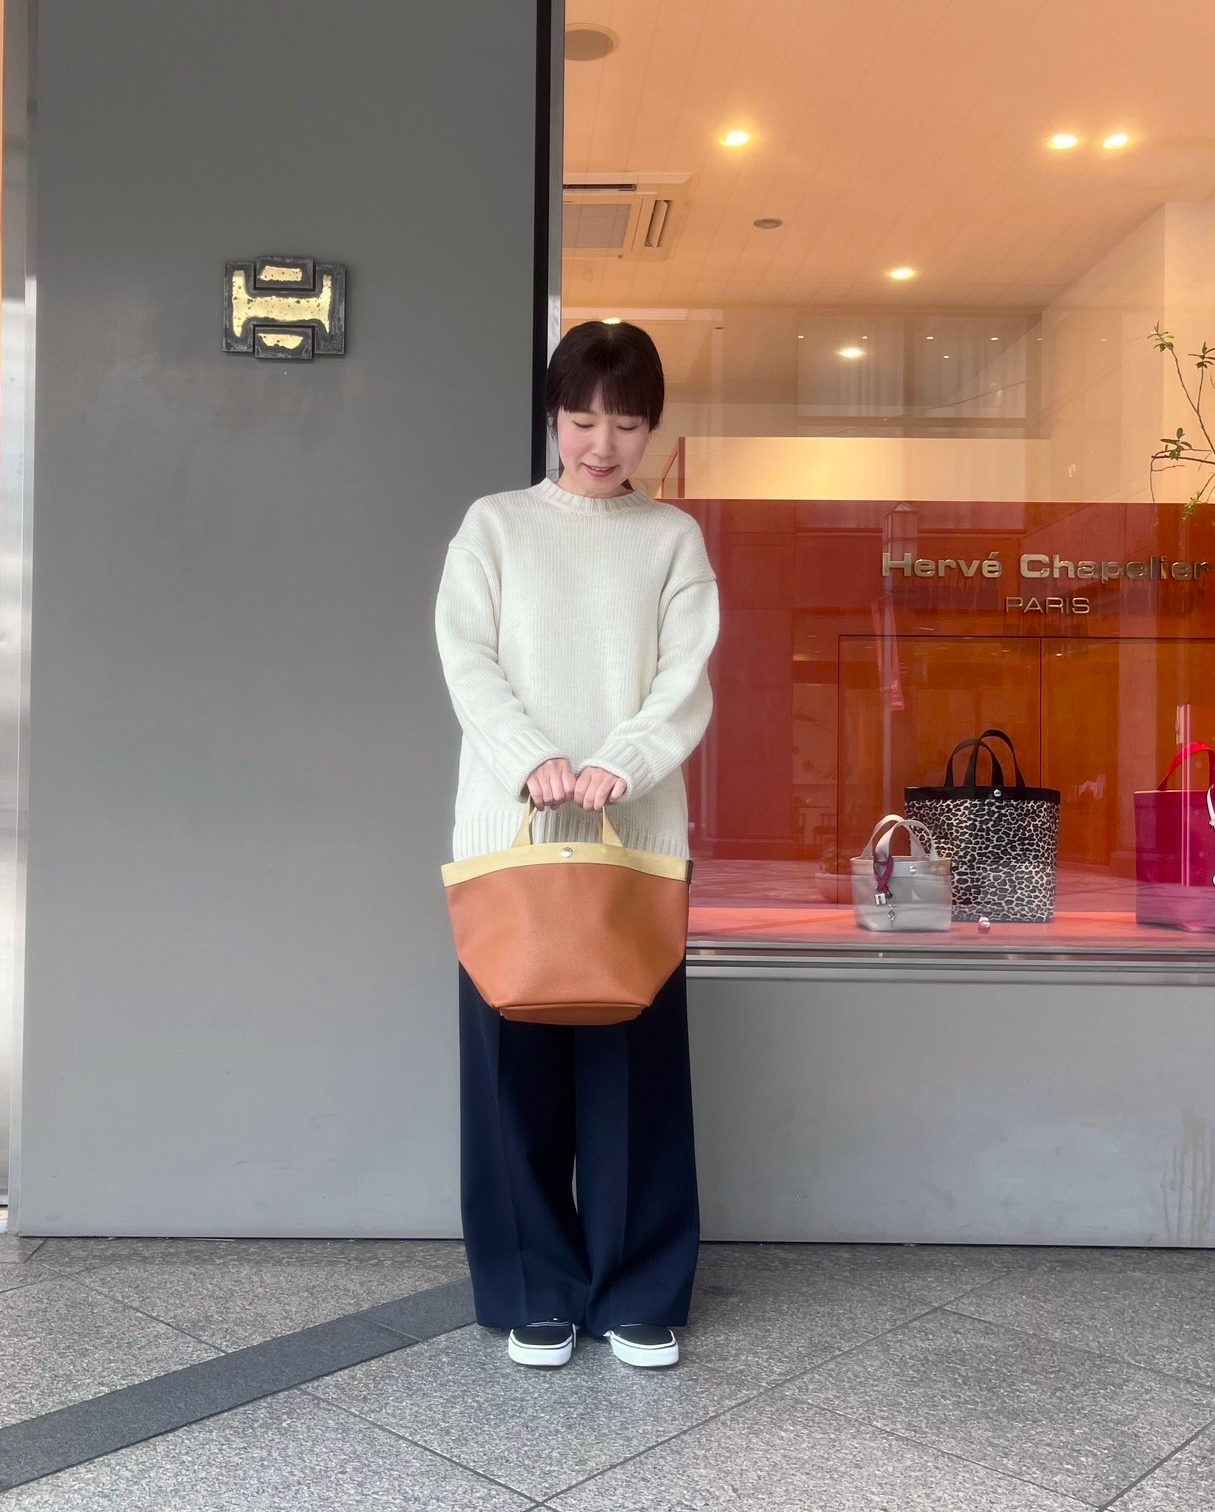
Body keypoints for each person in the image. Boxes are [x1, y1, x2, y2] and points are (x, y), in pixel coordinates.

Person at [434, 321, 720, 1371]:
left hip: (629, 839)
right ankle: (534, 1290)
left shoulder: (672, 539)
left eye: (627, 423)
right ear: (554, 417)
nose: (603, 444)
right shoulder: (496, 526)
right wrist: (531, 758)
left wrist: (620, 763)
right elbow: (466, 657)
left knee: (634, 1075)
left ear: (652, 429)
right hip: (511, 834)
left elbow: (685, 676)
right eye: (583, 419)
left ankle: (639, 1291)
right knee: (512, 1075)